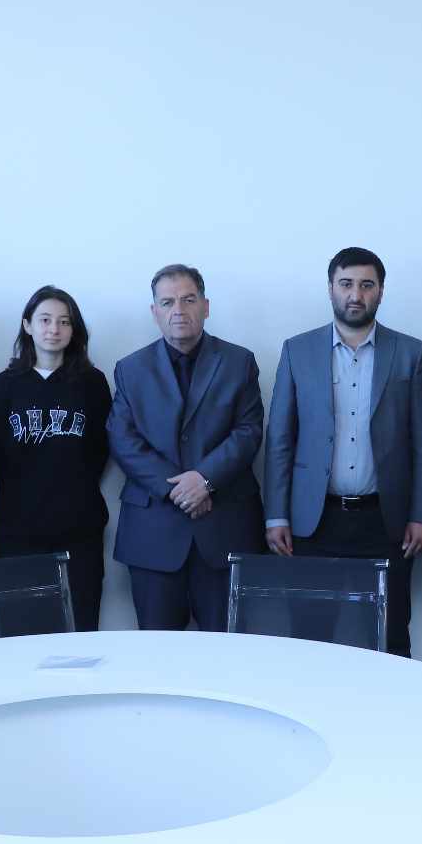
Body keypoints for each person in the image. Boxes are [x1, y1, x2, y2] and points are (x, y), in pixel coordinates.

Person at [264, 248, 422, 657]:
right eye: (346, 284)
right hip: (314, 521)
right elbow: (280, 439)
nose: (355, 295)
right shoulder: (297, 350)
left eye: (366, 285)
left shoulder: (411, 353)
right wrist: (277, 515)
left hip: (386, 521)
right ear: (330, 289)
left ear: (381, 291)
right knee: (309, 636)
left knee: (391, 636)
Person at [107, 264, 265, 631]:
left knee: (229, 650)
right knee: (157, 653)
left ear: (206, 306)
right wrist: (178, 489)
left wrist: (205, 479)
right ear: (155, 312)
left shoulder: (239, 362)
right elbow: (122, 439)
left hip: (225, 527)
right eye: (168, 302)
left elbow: (249, 431)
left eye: (188, 299)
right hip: (152, 533)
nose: (178, 310)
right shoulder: (130, 368)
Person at [0, 286, 113, 631]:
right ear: (27, 325)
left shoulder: (93, 384)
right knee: (20, 632)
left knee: (81, 630)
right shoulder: (2, 387)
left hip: (80, 527)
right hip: (18, 530)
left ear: (74, 329)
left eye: (64, 322)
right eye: (45, 320)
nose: (54, 329)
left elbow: (100, 450)